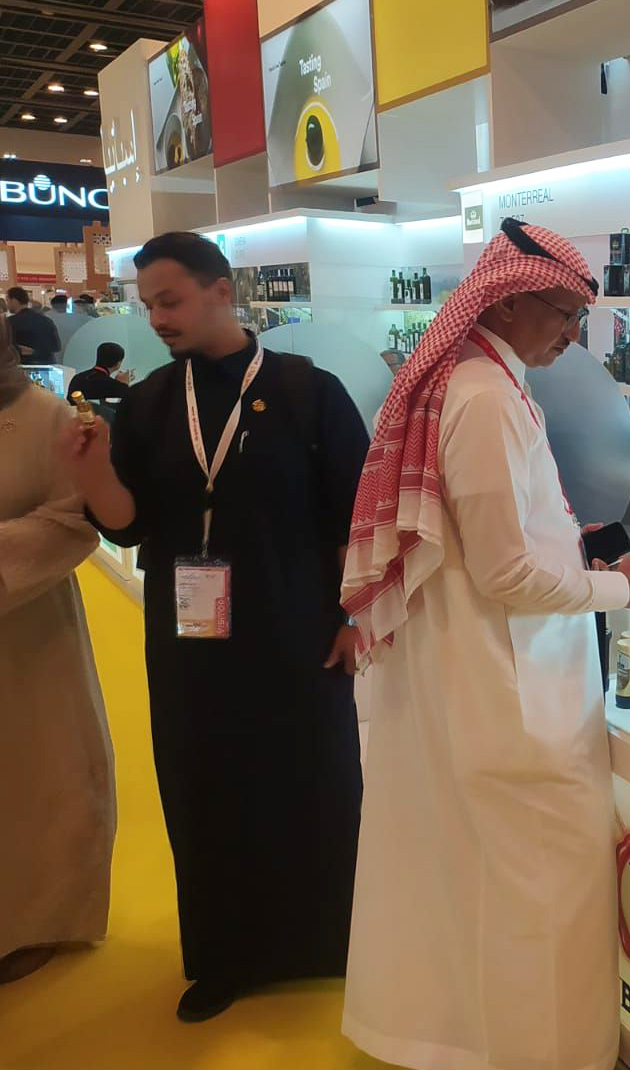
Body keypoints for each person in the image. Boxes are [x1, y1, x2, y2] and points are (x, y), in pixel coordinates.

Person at [340, 219, 630, 1070]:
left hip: (499, 681)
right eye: (563, 313)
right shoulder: (483, 397)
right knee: (543, 898)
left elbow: (503, 538)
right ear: (509, 299)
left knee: (502, 892)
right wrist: (621, 589)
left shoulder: (489, 382)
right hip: (513, 699)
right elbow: (505, 572)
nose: (571, 335)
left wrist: (570, 546)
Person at [56, 231, 369, 1022]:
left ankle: (332, 943)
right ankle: (226, 956)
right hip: (190, 641)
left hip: (298, 628)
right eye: (148, 304)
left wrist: (350, 614)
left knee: (315, 782)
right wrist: (90, 470)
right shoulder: (154, 402)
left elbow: (355, 517)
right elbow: (127, 525)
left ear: (221, 290)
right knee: (206, 788)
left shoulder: (308, 391)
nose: (157, 318)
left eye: (170, 300)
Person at [0, 314, 116, 985]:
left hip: (26, 635)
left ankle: (30, 922)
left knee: (35, 780)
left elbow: (75, 518)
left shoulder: (45, 417)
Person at [6, 286, 60, 363]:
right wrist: (35, 352)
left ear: (14, 300)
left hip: (19, 364)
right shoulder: (46, 320)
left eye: (7, 300)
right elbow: (56, 346)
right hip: (45, 363)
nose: (7, 305)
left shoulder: (9, 322)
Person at [68, 342, 133, 402]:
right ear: (118, 363)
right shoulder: (113, 385)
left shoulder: (77, 378)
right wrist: (123, 384)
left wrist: (117, 383)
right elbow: (128, 400)